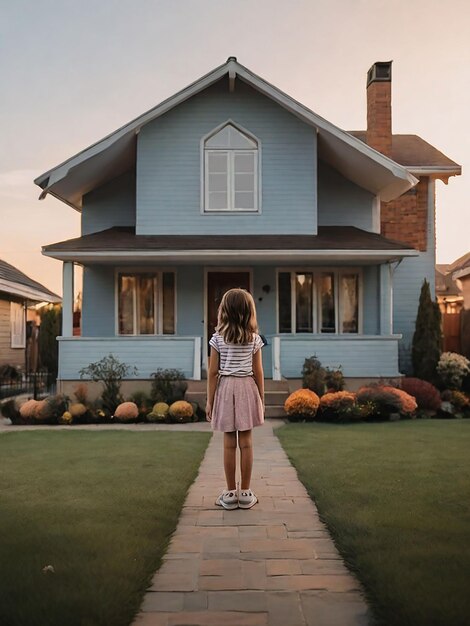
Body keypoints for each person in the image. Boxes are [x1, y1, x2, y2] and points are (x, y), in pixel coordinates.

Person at [206, 288, 265, 510]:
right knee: (247, 443)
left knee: (229, 443)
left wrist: (210, 401)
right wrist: (262, 398)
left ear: (225, 311)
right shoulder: (255, 340)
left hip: (226, 387)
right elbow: (258, 372)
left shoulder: (217, 339)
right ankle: (246, 493)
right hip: (248, 387)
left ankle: (230, 494)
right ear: (249, 311)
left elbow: (212, 373)